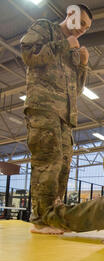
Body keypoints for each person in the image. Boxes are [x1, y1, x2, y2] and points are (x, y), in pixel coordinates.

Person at [20, 4, 93, 234]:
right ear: (70, 15)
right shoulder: (45, 28)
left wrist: (82, 65)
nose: (82, 29)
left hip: (65, 116)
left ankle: (54, 215)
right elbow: (29, 55)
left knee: (63, 165)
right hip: (43, 107)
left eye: (86, 27)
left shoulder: (73, 51)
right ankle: (41, 219)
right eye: (81, 22)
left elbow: (77, 90)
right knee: (47, 160)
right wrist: (65, 44)